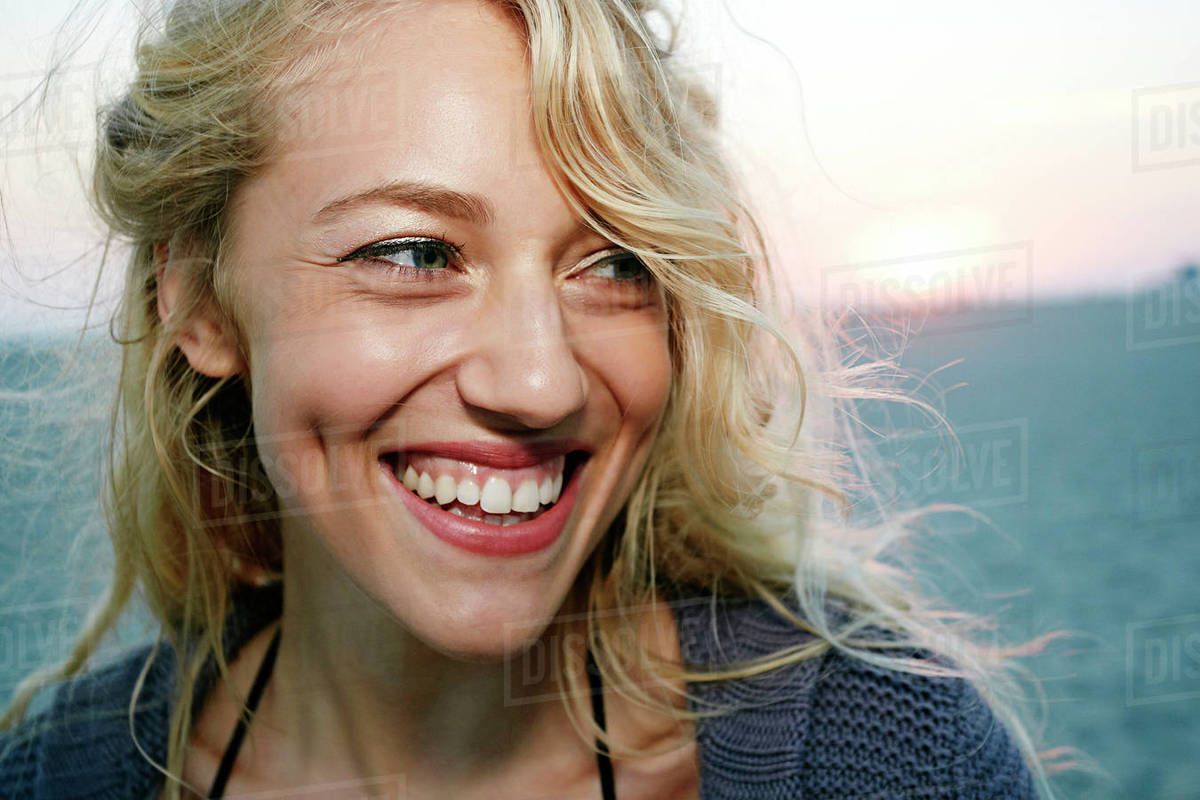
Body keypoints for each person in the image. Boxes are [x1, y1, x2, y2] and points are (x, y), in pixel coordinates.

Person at [0, 0, 1060, 797]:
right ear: (198, 298)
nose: (542, 381)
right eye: (415, 253)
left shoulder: (897, 760)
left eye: (616, 263)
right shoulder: (53, 774)